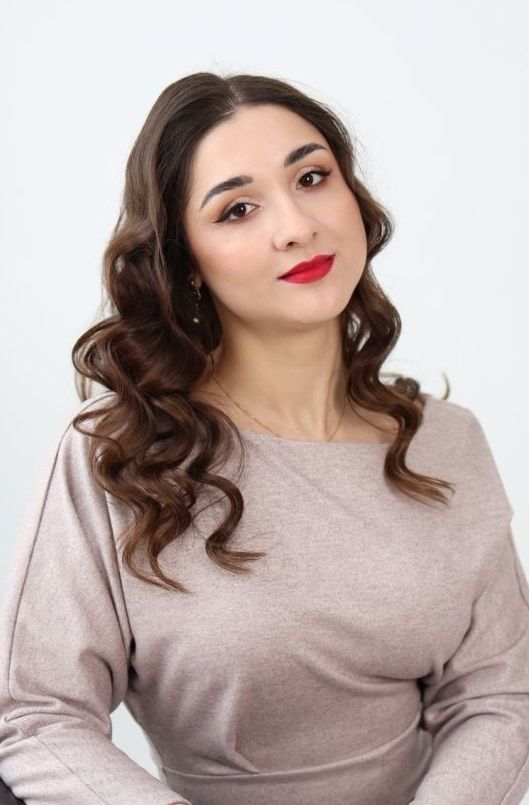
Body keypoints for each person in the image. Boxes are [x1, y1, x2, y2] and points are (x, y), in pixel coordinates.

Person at [0, 71, 528, 805]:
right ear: (185, 261)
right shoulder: (117, 450)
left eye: (311, 178)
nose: (296, 226)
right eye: (237, 208)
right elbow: (36, 716)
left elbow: (499, 697)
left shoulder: (448, 441)